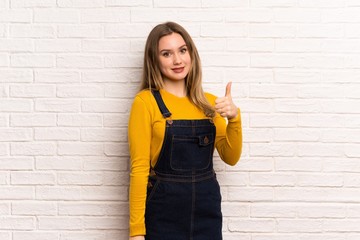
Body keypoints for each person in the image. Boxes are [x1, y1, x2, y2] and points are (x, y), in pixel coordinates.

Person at [128, 21, 242, 240]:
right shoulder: (146, 102)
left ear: (191, 53)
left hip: (206, 212)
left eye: (182, 50)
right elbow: (139, 169)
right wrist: (136, 232)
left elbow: (231, 157)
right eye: (166, 53)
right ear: (154, 59)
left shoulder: (209, 104)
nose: (178, 60)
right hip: (163, 213)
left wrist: (235, 117)